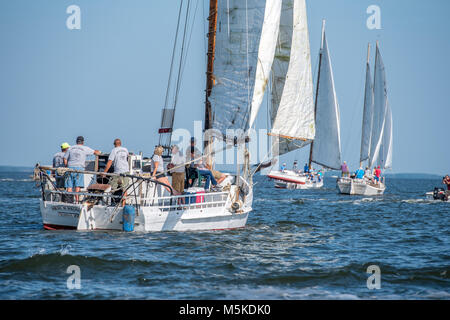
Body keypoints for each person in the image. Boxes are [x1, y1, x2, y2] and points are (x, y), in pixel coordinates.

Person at [64, 136, 101, 202]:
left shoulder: (70, 148)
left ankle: (68, 201)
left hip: (70, 168)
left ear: (76, 141)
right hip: (79, 168)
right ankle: (77, 201)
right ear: (83, 142)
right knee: (77, 186)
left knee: (69, 186)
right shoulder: (85, 148)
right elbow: (96, 152)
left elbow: (65, 158)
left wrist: (67, 166)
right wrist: (100, 152)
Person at [103, 139, 130, 206]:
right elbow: (127, 157)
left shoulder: (114, 150)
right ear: (120, 144)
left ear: (114, 144)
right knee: (125, 188)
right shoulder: (125, 149)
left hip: (118, 172)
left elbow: (110, 162)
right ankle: (123, 204)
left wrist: (104, 173)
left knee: (111, 187)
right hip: (126, 171)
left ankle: (109, 203)